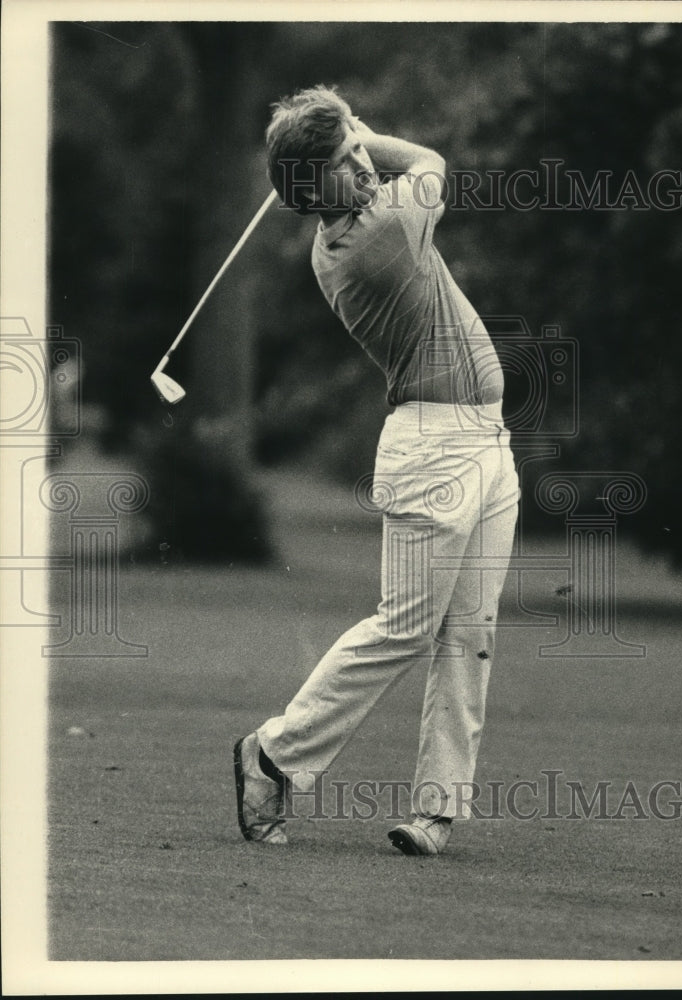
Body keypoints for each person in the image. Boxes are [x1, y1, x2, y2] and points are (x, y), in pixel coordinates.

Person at [234, 85, 520, 855]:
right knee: (405, 626)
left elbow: (383, 166)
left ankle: (434, 811)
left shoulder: (356, 222)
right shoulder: (377, 238)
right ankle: (274, 756)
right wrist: (366, 127)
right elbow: (430, 160)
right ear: (308, 189)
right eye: (344, 161)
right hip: (434, 449)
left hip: (485, 441)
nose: (364, 165)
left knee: (470, 633)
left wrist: (346, 133)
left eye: (360, 153)